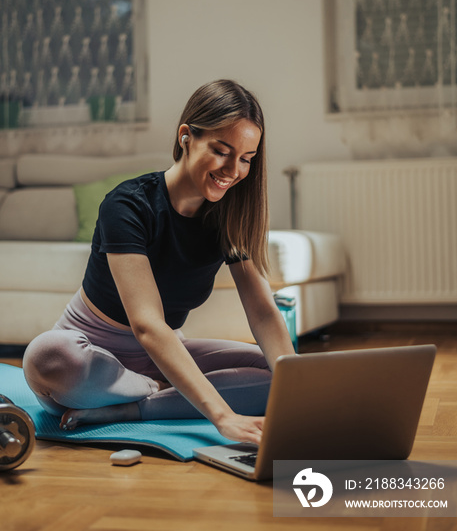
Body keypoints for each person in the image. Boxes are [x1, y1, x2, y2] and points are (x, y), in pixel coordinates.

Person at [23, 79, 295, 445]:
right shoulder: (128, 205)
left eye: (246, 159)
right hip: (91, 361)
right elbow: (148, 326)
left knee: (284, 373)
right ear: (186, 136)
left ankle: (136, 407)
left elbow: (262, 312)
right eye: (222, 150)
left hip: (160, 355)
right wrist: (223, 417)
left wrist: (299, 387)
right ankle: (158, 388)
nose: (233, 170)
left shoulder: (228, 217)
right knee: (47, 356)